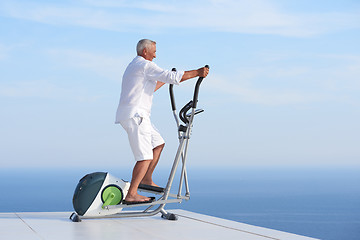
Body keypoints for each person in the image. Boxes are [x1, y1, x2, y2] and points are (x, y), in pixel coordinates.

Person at [115, 39, 209, 204]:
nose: (155, 55)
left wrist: (167, 81)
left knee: (158, 144)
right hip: (136, 116)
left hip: (136, 115)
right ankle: (132, 194)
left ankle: (146, 179)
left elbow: (152, 86)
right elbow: (172, 76)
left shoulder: (134, 66)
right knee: (144, 157)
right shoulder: (145, 65)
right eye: (154, 51)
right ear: (145, 51)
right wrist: (198, 72)